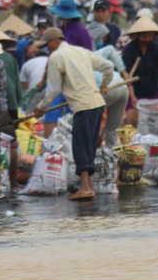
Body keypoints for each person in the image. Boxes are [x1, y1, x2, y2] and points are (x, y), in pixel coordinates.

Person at [33, 28, 114, 201]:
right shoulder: (81, 51)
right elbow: (109, 66)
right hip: (97, 103)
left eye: (48, 45)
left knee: (80, 146)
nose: (48, 49)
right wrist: (103, 87)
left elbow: (53, 89)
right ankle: (89, 185)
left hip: (83, 106)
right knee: (89, 145)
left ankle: (85, 187)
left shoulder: (56, 57)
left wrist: (41, 107)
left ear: (54, 41)